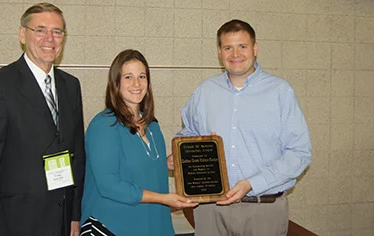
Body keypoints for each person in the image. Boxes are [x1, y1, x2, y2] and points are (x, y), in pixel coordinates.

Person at [174, 19, 312, 236]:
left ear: (255, 49)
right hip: (211, 211)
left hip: (263, 210)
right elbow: (189, 133)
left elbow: (299, 154)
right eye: (228, 47)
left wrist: (252, 184)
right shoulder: (205, 91)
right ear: (219, 52)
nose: (235, 54)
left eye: (242, 46)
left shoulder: (280, 92)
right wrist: (179, 156)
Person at [0, 3, 85, 236]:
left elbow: (76, 154)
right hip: (16, 223)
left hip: (62, 221)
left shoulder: (70, 86)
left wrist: (74, 216)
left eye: (57, 31)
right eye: (40, 30)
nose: (49, 39)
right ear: (23, 34)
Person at [80, 49, 197, 236]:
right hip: (113, 227)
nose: (136, 84)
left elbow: (140, 166)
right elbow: (109, 185)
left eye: (142, 76)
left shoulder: (153, 126)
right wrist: (164, 199)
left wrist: (165, 163)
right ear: (116, 83)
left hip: (153, 225)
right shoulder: (104, 125)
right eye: (128, 77)